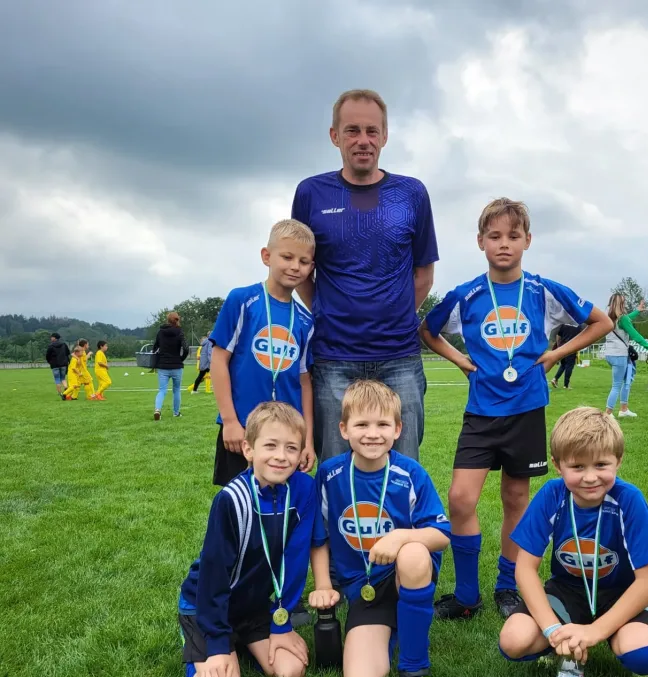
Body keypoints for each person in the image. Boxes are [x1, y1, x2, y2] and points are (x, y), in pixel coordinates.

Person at [420, 198, 613, 620]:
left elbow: (602, 322)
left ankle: (508, 586)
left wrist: (554, 353)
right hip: (481, 413)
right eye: (494, 236)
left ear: (527, 240)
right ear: (480, 242)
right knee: (460, 499)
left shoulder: (543, 291)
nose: (503, 244)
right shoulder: (466, 295)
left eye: (512, 236)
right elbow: (427, 331)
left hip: (526, 411)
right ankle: (467, 594)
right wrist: (460, 360)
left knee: (515, 497)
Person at [291, 88, 438, 465]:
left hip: (399, 357)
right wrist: (331, 312)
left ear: (385, 136)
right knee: (335, 476)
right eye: (352, 130)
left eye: (372, 131)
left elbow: (423, 274)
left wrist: (392, 313)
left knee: (402, 474)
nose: (363, 141)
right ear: (334, 136)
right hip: (333, 358)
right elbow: (303, 271)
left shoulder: (412, 193)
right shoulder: (310, 193)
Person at [498, 407, 648, 677]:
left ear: (619, 461)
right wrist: (551, 629)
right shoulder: (552, 496)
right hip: (568, 591)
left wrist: (595, 632)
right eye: (578, 467)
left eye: (601, 464)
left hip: (620, 593)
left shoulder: (629, 500)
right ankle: (559, 640)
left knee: (641, 653)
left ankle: (647, 660)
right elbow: (524, 569)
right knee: (514, 640)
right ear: (557, 464)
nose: (590, 477)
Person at [308, 380, 451, 677]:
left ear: (398, 429)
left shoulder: (410, 472)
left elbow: (442, 533)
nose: (372, 434)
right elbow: (319, 536)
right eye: (361, 425)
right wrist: (324, 585)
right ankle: (396, 627)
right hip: (365, 589)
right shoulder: (330, 475)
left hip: (405, 576)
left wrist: (402, 537)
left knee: (414, 552)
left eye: (383, 425)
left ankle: (415, 670)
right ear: (343, 429)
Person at [177, 402, 321, 677]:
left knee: (290, 672)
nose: (281, 456)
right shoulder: (231, 500)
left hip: (253, 607)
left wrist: (282, 623)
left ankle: (243, 640)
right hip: (207, 604)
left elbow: (295, 558)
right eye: (270, 445)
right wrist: (216, 647)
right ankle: (202, 639)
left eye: (291, 448)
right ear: (248, 449)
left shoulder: (304, 491)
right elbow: (214, 578)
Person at [209, 219, 316, 487]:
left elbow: (305, 382)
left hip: (288, 436)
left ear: (311, 268)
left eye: (304, 261)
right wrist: (231, 421)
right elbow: (219, 360)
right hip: (243, 427)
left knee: (283, 510)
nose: (295, 266)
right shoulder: (242, 300)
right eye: (287, 257)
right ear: (266, 256)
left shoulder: (306, 320)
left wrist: (308, 440)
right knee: (239, 503)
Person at [603, 297, 648, 419]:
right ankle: (608, 414)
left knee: (626, 381)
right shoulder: (623, 319)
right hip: (620, 354)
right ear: (621, 304)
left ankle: (624, 409)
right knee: (617, 385)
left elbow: (627, 320)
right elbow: (635, 335)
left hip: (610, 354)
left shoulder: (608, 318)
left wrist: (637, 311)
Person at [153, 311, 189, 420]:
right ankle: (176, 412)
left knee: (162, 390)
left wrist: (157, 361)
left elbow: (155, 348)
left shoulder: (160, 332)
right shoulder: (179, 332)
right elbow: (186, 348)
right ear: (177, 320)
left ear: (167, 320)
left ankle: (157, 410)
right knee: (176, 390)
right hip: (176, 365)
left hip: (163, 365)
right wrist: (181, 359)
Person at [550, 323, 584, 390]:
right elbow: (580, 337)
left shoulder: (564, 324)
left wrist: (559, 346)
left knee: (563, 365)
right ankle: (566, 385)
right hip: (572, 347)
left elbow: (558, 336)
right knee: (569, 366)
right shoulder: (579, 325)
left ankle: (555, 379)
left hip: (563, 347)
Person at [45, 333, 70, 398]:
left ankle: (60, 393)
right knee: (63, 378)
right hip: (63, 364)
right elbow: (67, 353)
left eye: (51, 337)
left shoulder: (51, 346)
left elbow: (47, 355)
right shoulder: (64, 344)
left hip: (54, 364)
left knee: (57, 379)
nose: (51, 338)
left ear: (54, 338)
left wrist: (50, 362)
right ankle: (66, 388)